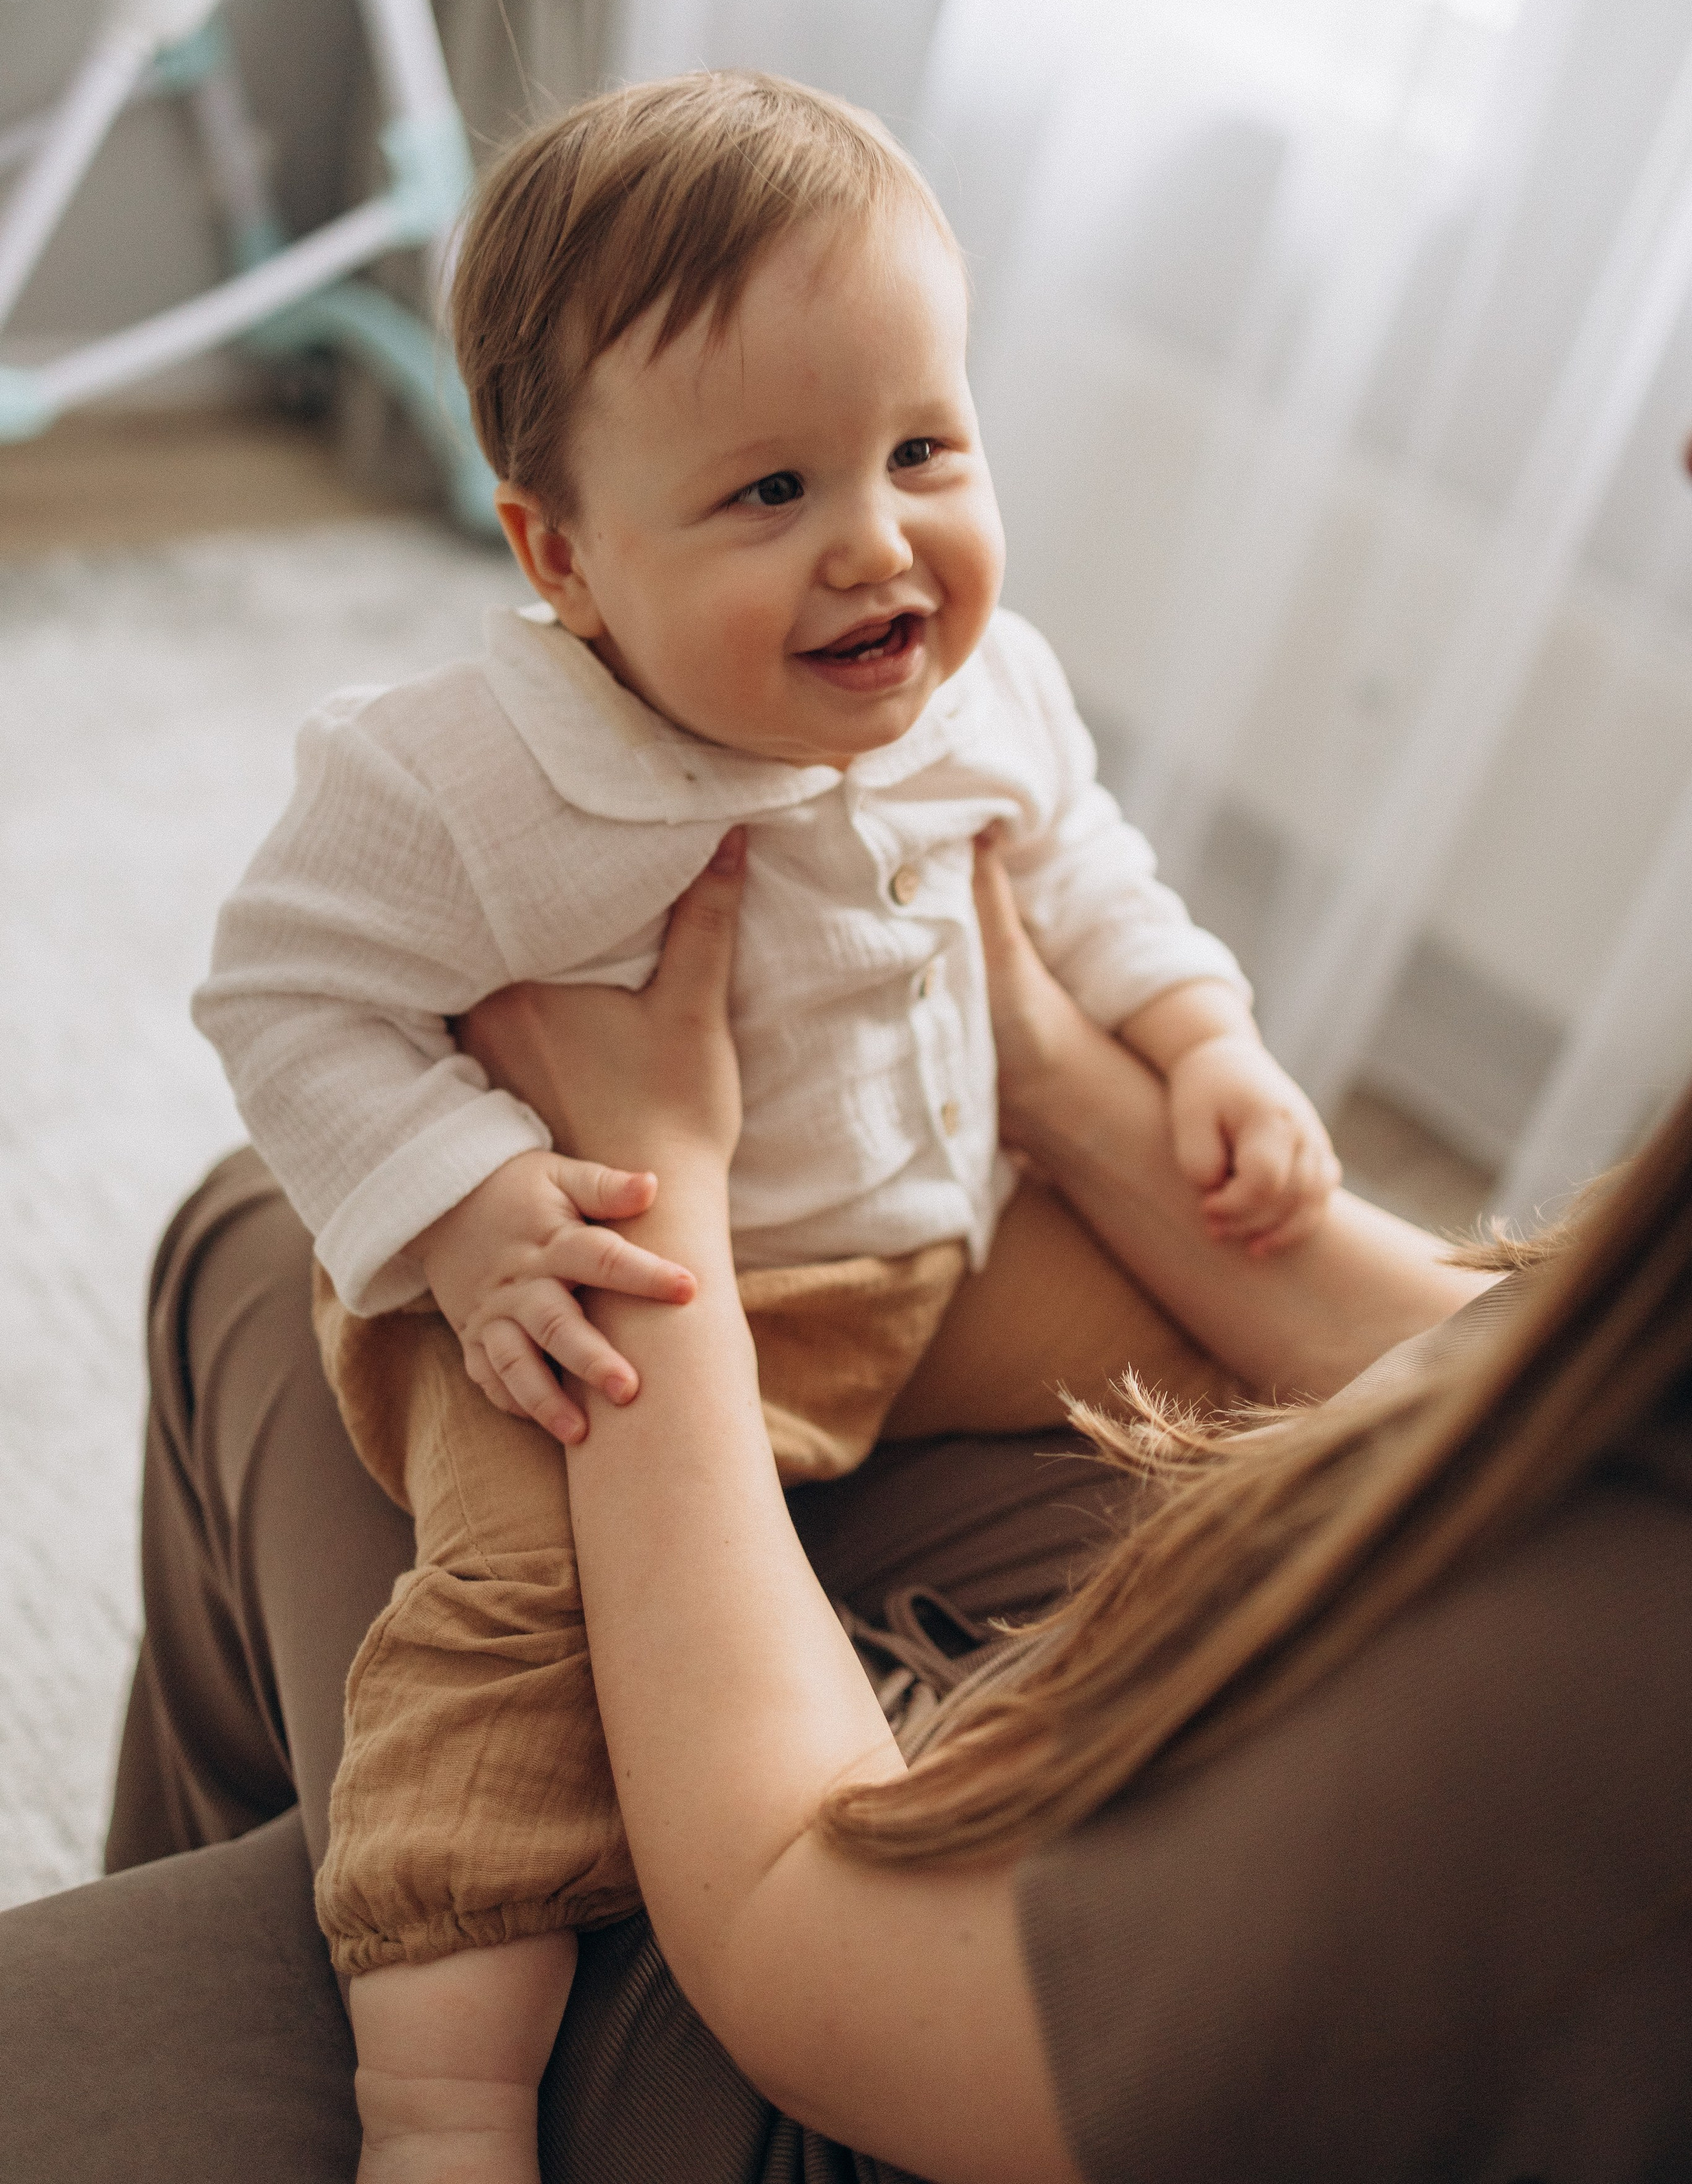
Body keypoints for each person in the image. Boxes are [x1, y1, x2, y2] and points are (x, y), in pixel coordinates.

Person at [188, 69, 1364, 2169]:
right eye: (767, 497)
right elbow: (283, 995)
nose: (879, 543)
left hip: (939, 1253)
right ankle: (438, 2100)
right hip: (617, 1288)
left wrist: (1206, 1044)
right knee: (505, 1652)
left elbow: (1086, 868)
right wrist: (466, 1212)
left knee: (1240, 1366)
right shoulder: (456, 784)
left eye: (925, 448)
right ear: (563, 559)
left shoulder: (990, 691)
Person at [0, 848, 1684, 2182]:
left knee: (351, 1281)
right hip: (1215, 1622)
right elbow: (1516, 1366)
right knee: (339, 1243)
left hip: (874, 2036)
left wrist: (656, 1185)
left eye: (924, 452)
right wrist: (1070, 1084)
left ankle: (425, 2084)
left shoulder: (1607, 1673)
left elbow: (819, 1958)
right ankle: (340, 1880)